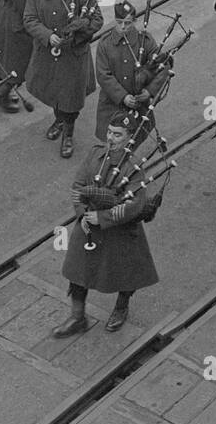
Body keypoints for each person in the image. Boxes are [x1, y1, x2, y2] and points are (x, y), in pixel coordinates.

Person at [52, 110, 160, 336]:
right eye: (109, 132)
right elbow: (78, 186)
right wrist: (83, 215)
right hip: (88, 227)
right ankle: (77, 317)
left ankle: (121, 308)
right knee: (78, 272)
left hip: (118, 231)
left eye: (118, 135)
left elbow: (134, 204)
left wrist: (102, 218)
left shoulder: (134, 169)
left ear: (130, 138)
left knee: (126, 274)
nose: (111, 138)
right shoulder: (95, 154)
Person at [24, 0, 104, 159]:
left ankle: (68, 132)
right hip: (48, 57)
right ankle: (59, 119)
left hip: (72, 58)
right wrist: (47, 35)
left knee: (71, 98)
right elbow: (30, 19)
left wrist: (78, 31)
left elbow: (97, 20)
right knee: (53, 92)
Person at [92, 0, 170, 143]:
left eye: (127, 23)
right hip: (112, 104)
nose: (123, 27)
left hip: (138, 105)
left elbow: (162, 66)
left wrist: (149, 92)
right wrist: (123, 97)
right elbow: (103, 75)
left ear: (134, 21)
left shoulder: (144, 41)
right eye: (119, 22)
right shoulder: (105, 44)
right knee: (109, 142)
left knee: (132, 141)